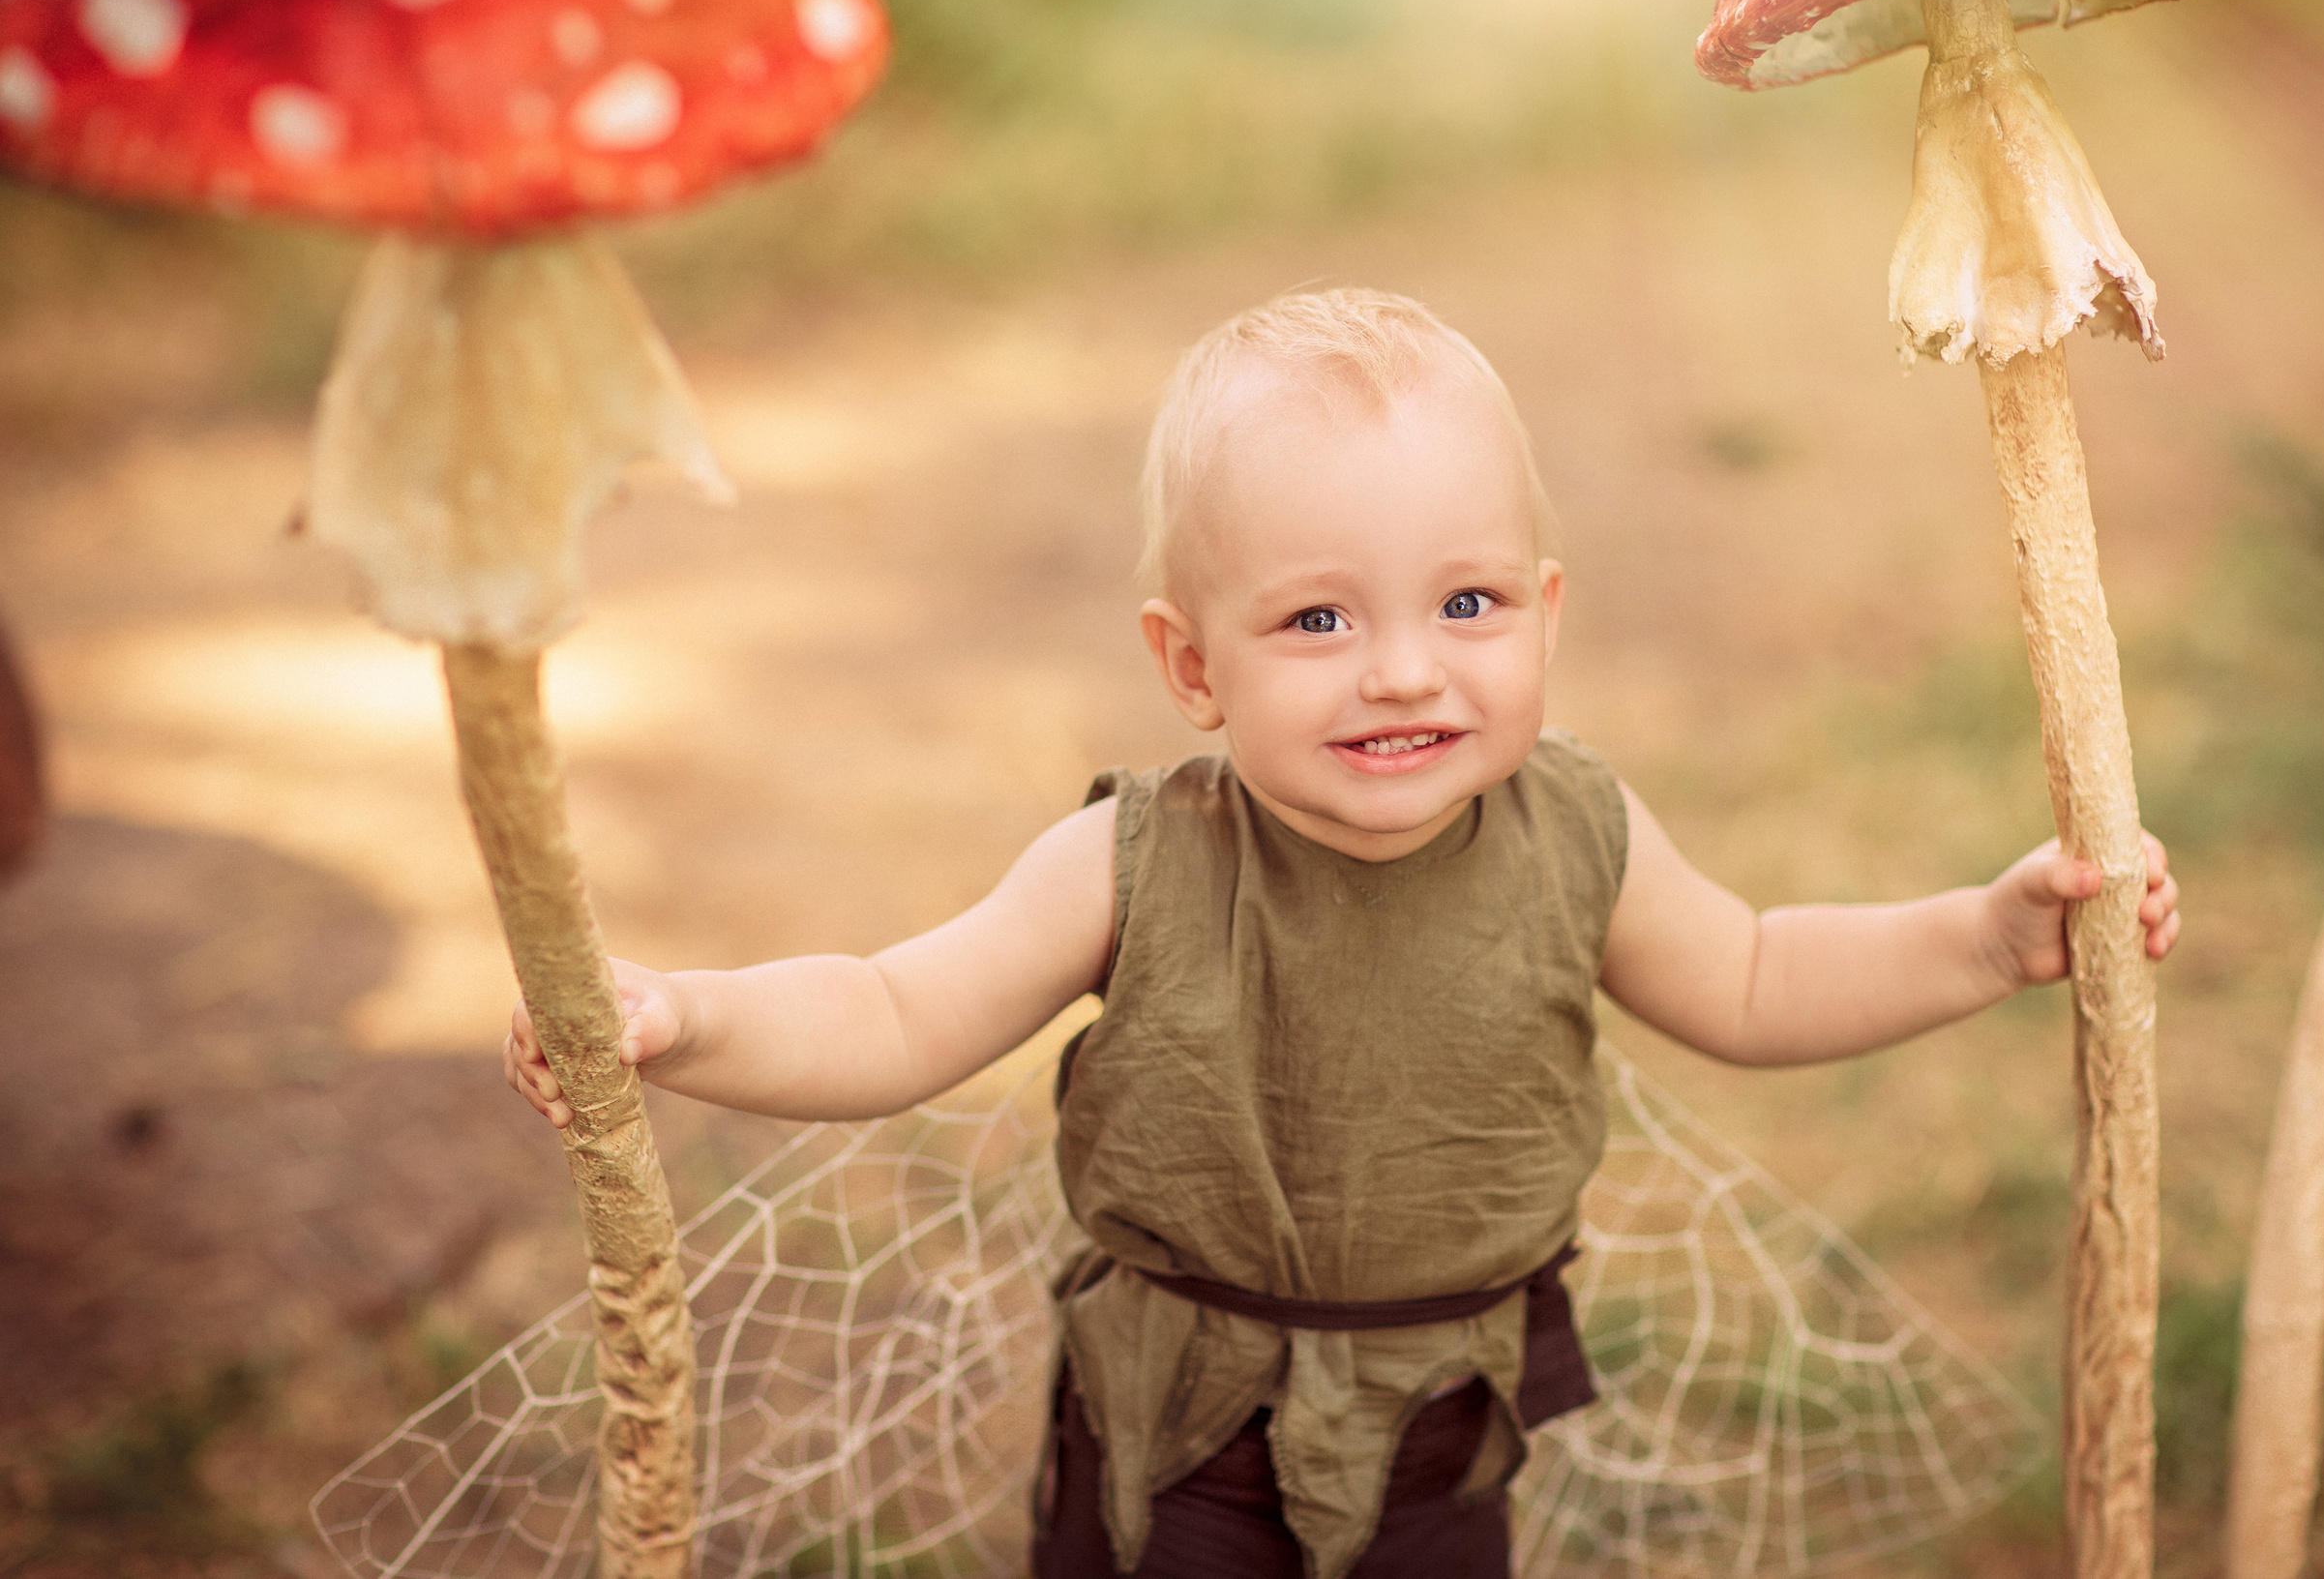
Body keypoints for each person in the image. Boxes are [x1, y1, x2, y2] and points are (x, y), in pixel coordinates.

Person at [504, 288, 2180, 1579]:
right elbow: (888, 1012)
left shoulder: (1576, 832)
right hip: (1185, 1426)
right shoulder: (1135, 862)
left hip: (1449, 1407)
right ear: (1190, 667)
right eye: (1317, 618)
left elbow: (1751, 976)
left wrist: (1983, 936)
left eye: (1467, 604)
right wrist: (679, 1018)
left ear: (1544, 610)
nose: (1402, 668)